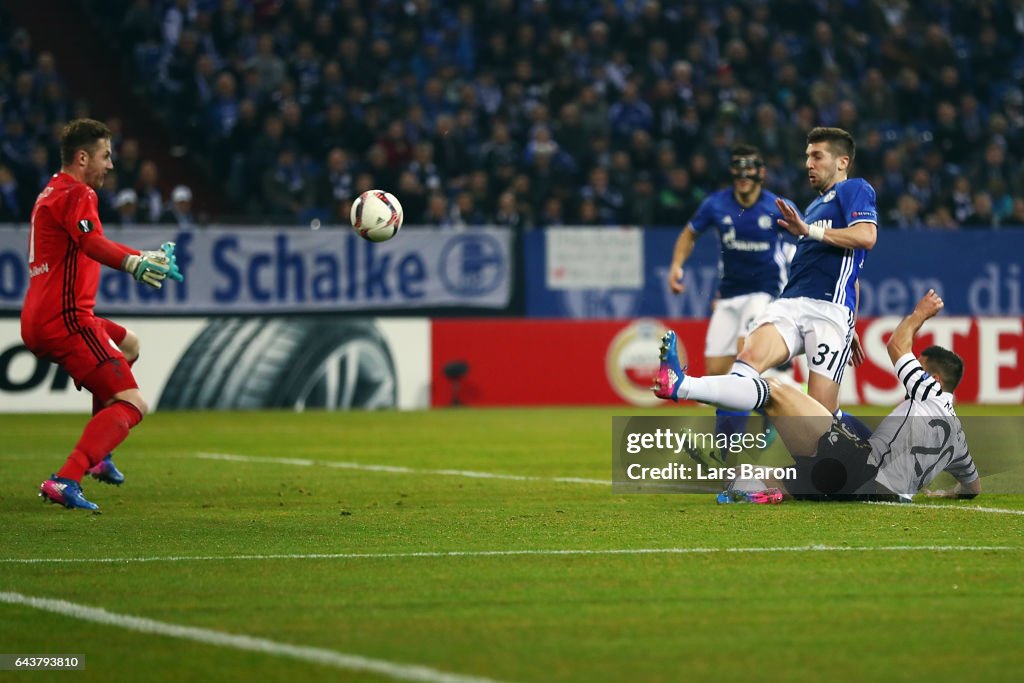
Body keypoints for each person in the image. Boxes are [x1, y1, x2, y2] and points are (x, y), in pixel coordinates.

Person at [655, 290, 979, 502]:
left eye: (921, 367)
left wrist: (919, 315)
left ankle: (682, 385)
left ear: (935, 378)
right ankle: (758, 490)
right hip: (867, 493)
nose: (916, 371)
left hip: (859, 473)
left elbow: (897, 345)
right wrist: (948, 493)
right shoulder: (959, 441)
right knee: (752, 476)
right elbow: (973, 487)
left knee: (775, 391)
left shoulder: (930, 392)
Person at [656, 127, 877, 418]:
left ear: (842, 162)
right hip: (789, 303)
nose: (808, 164)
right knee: (745, 365)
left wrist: (849, 322)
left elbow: (866, 237)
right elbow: (850, 272)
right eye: (807, 156)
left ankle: (872, 456)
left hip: (827, 311)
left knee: (821, 419)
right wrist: (854, 322)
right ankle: (682, 388)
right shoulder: (811, 208)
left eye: (817, 156)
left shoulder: (854, 188)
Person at [21, 118, 184, 511]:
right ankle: (67, 477)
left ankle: (99, 456)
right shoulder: (79, 192)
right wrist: (133, 266)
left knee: (129, 345)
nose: (110, 165)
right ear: (82, 158)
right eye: (105, 156)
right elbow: (92, 242)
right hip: (66, 319)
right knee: (132, 405)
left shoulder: (53, 191)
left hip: (43, 314)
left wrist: (140, 255)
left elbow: (91, 240)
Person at [666, 143, 796, 452]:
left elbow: (804, 239)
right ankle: (742, 435)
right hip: (727, 297)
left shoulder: (777, 206)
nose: (743, 179)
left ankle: (733, 444)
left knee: (743, 358)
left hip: (764, 294)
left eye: (749, 174)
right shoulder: (715, 205)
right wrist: (676, 265)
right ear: (732, 175)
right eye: (738, 174)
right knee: (716, 371)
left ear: (761, 175)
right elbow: (689, 234)